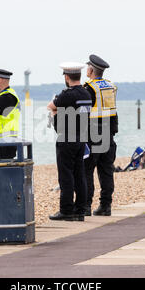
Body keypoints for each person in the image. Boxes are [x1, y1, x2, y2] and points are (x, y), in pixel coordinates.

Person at [47, 62, 92, 221]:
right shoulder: (86, 94)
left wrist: (56, 113)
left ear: (66, 77)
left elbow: (50, 106)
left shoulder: (67, 95)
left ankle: (66, 210)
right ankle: (80, 210)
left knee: (66, 175)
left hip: (66, 138)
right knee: (80, 175)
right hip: (81, 137)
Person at [83, 54, 118, 216]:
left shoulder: (89, 87)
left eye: (87, 68)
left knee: (87, 171)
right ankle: (106, 205)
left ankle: (86, 206)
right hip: (108, 133)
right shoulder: (110, 86)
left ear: (91, 70)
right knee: (106, 172)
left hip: (93, 134)